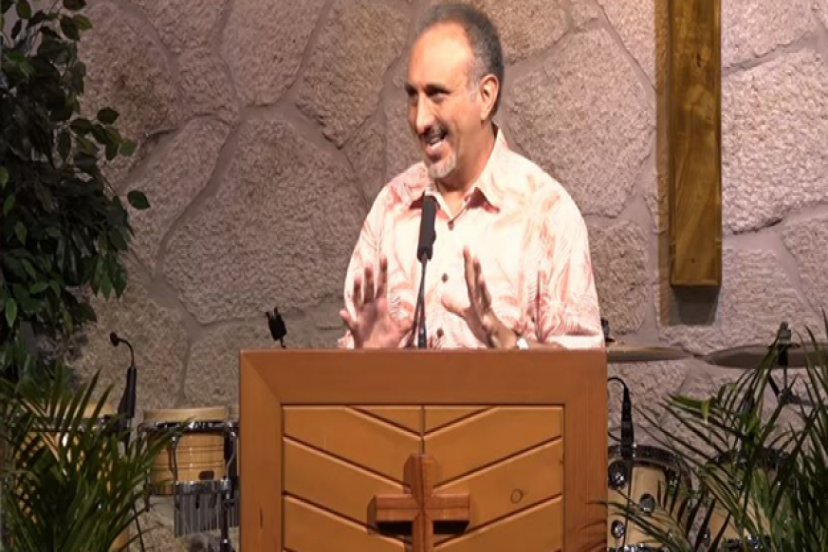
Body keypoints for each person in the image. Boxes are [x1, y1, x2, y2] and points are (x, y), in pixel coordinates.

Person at [339, 3, 602, 350]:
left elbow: (582, 371)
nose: (419, 120)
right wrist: (366, 359)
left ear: (485, 96)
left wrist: (510, 345)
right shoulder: (390, 208)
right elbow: (349, 368)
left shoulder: (548, 214)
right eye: (412, 96)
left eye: (436, 94)